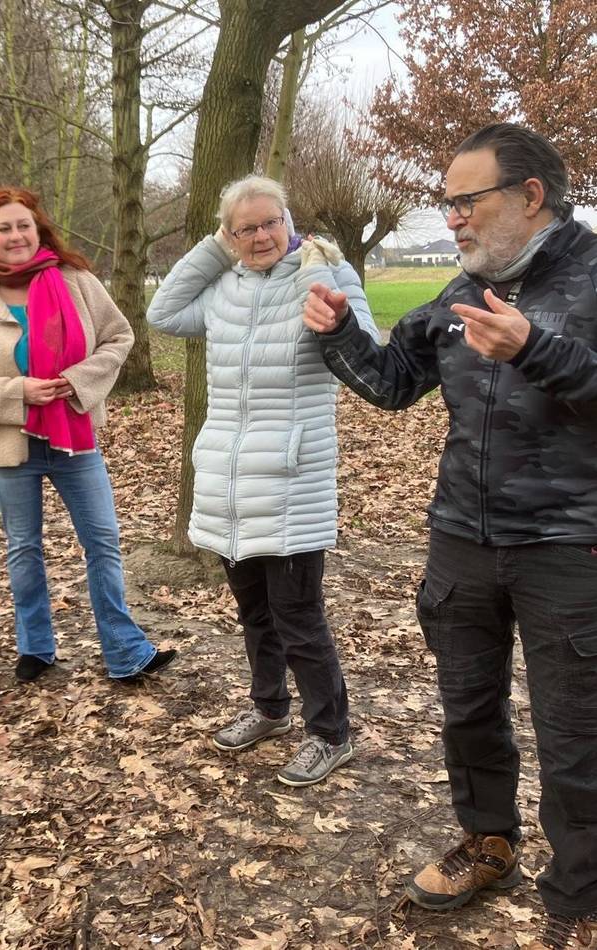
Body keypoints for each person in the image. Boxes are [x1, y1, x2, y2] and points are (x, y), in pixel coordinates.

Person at [303, 123, 597, 948]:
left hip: (571, 545)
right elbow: (394, 383)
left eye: (467, 201)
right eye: (448, 204)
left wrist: (538, 350)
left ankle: (580, 899)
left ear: (530, 196)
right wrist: (337, 333)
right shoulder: (459, 292)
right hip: (462, 538)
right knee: (468, 711)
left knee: (577, 737)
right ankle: (488, 843)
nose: (453, 218)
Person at [147, 175, 379, 787]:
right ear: (228, 235)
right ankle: (270, 708)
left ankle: (330, 734)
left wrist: (335, 318)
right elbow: (162, 312)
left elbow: (369, 350)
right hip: (228, 481)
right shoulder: (223, 286)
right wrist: (214, 250)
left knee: (298, 616)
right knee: (255, 612)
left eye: (270, 222)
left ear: (288, 221)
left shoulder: (322, 271)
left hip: (291, 480)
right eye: (244, 228)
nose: (260, 236)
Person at [0, 186, 176, 685]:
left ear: (39, 230)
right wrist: (17, 392)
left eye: (23, 225)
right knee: (24, 550)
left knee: (103, 542)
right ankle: (36, 648)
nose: (15, 235)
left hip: (75, 437)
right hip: (12, 446)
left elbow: (119, 337)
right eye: (3, 229)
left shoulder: (77, 282)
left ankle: (125, 651)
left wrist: (79, 380)